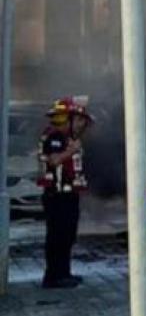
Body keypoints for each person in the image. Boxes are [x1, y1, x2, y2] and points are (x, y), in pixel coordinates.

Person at [39, 97, 92, 289]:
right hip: (56, 196)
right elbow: (53, 161)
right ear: (67, 119)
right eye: (78, 120)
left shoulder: (70, 139)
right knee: (57, 236)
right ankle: (53, 276)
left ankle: (64, 272)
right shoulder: (53, 137)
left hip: (69, 195)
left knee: (68, 235)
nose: (81, 125)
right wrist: (71, 152)